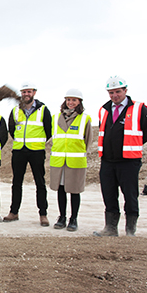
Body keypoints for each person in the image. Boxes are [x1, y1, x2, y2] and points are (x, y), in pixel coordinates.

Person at [94, 76, 147, 237]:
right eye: (111, 92)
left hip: (129, 161)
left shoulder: (139, 108)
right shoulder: (104, 109)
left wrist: (132, 144)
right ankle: (111, 228)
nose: (115, 95)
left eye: (118, 92)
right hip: (107, 160)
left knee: (130, 194)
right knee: (108, 193)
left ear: (125, 91)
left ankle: (130, 230)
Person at [4, 82, 52, 226]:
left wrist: (37, 142)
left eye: (29, 91)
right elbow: (11, 129)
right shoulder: (15, 111)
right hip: (19, 150)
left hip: (36, 151)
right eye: (24, 92)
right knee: (16, 182)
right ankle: (14, 212)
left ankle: (43, 214)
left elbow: (49, 129)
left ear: (34, 93)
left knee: (40, 182)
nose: (26, 94)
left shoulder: (43, 110)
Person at [50, 89, 93, 231]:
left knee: (74, 191)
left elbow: (88, 140)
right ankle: (61, 217)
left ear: (79, 102)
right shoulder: (56, 118)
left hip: (75, 161)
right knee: (61, 190)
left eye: (74, 100)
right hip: (59, 161)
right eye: (68, 100)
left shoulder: (85, 118)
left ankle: (73, 219)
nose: (71, 102)